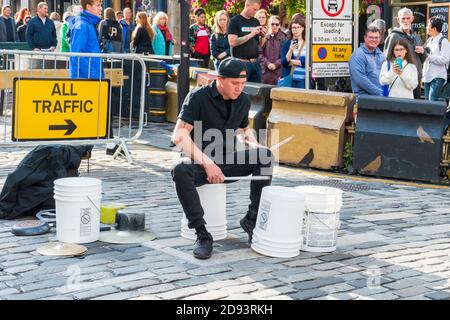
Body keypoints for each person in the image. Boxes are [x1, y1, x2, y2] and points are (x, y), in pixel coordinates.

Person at [171, 58, 273, 259]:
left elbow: (245, 132)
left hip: (227, 161)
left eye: (243, 84)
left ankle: (251, 220)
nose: (239, 88)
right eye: (235, 83)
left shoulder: (243, 100)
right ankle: (202, 234)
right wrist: (208, 164)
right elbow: (178, 136)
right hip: (199, 164)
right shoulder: (198, 97)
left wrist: (256, 146)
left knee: (266, 156)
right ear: (219, 79)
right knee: (180, 169)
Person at [384, 7, 427, 99]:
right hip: (400, 80)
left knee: (415, 109)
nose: (406, 21)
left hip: (415, 79)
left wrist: (423, 52)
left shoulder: (416, 36)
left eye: (408, 18)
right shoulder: (394, 36)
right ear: (398, 20)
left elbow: (423, 59)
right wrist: (397, 69)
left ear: (412, 19)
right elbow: (387, 58)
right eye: (403, 18)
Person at [228, 0, 263, 83]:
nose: (256, 12)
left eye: (257, 10)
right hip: (240, 63)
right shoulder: (235, 21)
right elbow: (232, 42)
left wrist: (263, 36)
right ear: (247, 5)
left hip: (255, 64)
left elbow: (259, 44)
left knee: (255, 94)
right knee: (240, 92)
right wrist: (251, 34)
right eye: (254, 9)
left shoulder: (256, 21)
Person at [70, 0, 103, 79]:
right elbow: (77, 55)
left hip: (90, 77)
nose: (101, 8)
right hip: (86, 79)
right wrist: (93, 75)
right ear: (88, 7)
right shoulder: (82, 25)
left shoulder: (88, 24)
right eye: (98, 5)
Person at [349, 26, 386, 99]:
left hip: (381, 98)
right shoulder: (358, 55)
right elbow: (361, 80)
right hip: (364, 100)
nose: (374, 40)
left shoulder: (381, 55)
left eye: (376, 37)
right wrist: (381, 93)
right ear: (365, 38)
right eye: (371, 37)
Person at [423, 17, 450, 101]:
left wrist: (428, 56)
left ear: (434, 28)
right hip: (427, 76)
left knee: (432, 101)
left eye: (428, 25)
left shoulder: (444, 41)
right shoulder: (428, 41)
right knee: (427, 101)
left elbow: (445, 59)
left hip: (438, 76)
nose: (426, 27)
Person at [259, 15, 286, 85]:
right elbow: (259, 53)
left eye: (277, 24)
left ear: (279, 26)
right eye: (272, 24)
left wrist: (276, 64)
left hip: (279, 73)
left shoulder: (284, 38)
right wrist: (267, 64)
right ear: (268, 24)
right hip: (265, 72)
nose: (274, 26)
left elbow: (286, 55)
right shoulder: (264, 37)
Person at [280, 19, 307, 88]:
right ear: (291, 29)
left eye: (298, 27)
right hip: (290, 79)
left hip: (304, 80)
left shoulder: (308, 44)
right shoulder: (287, 44)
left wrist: (294, 62)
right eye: (294, 27)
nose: (296, 30)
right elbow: (284, 63)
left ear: (303, 28)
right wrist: (290, 50)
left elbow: (310, 61)